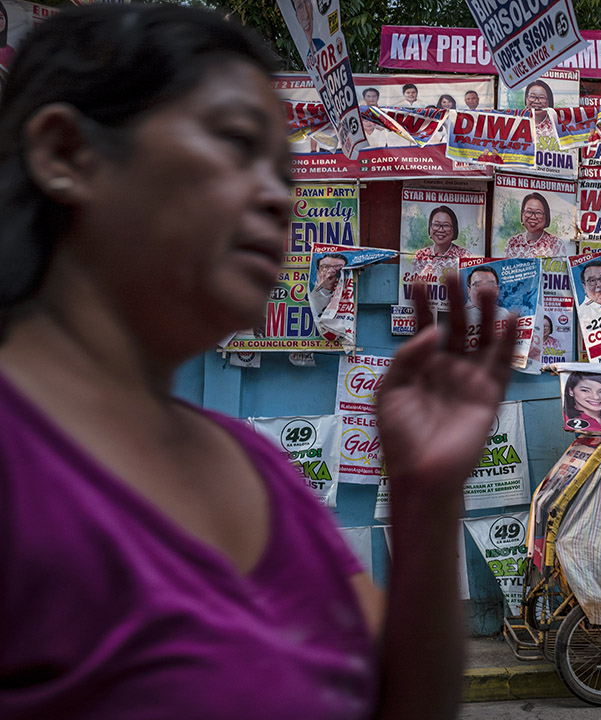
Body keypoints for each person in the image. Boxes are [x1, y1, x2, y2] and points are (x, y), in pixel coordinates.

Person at [0, 6, 517, 719]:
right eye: (235, 143)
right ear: (66, 153)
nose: (281, 200)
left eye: (285, 171)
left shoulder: (259, 471)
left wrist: (427, 498)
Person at [504, 192, 571, 257]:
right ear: (522, 214)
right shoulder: (512, 242)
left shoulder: (556, 244)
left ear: (546, 216)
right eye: (529, 212)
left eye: (538, 213)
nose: (533, 217)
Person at [411, 205, 467, 279]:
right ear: (430, 228)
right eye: (436, 225)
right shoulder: (420, 255)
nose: (441, 230)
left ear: (454, 229)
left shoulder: (465, 256)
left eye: (446, 225)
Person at [309, 252, 347, 316]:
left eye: (338, 267)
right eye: (325, 267)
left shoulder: (347, 294)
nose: (331, 271)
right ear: (317, 271)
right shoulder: (313, 293)